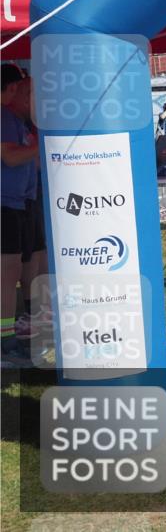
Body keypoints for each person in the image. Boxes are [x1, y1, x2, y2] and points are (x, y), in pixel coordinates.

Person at [1, 65, 39, 365]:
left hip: (20, 203)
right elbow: (11, 157)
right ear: (12, 90)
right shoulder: (3, 118)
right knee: (7, 274)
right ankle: (5, 343)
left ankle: (17, 335)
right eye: (27, 92)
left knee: (18, 270)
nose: (32, 99)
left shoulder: (18, 121)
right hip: (5, 204)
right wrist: (42, 146)